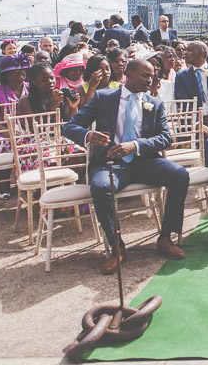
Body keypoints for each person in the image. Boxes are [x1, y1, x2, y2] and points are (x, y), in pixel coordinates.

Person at [63, 59, 188, 272]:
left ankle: (166, 238)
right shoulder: (104, 98)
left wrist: (135, 145)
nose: (150, 80)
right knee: (101, 187)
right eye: (144, 75)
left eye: (152, 76)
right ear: (127, 74)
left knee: (180, 175)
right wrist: (88, 135)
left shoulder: (154, 103)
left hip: (145, 161)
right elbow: (70, 127)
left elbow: (166, 138)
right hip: (110, 163)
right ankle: (117, 246)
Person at [0, 54, 31, 199]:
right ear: (7, 76)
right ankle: (4, 186)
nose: (21, 75)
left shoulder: (30, 89)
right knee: (7, 145)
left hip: (27, 130)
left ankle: (29, 181)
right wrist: (6, 132)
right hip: (4, 132)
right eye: (15, 73)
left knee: (33, 143)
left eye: (23, 71)